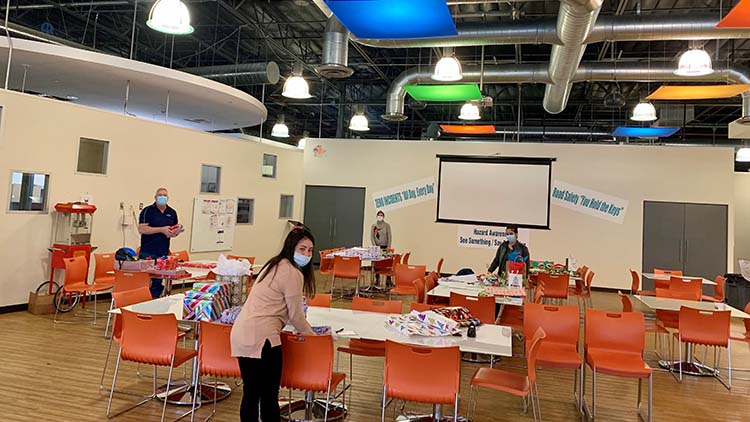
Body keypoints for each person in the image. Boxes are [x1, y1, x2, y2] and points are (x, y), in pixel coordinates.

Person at [231, 227, 316, 422]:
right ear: (291, 247)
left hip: (242, 333)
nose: (306, 254)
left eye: (310, 251)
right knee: (269, 395)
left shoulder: (273, 264)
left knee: (251, 392)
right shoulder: (292, 272)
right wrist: (314, 336)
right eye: (302, 249)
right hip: (264, 338)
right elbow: (296, 316)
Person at [138, 187, 182, 298]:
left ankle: (155, 301)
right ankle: (143, 302)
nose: (162, 197)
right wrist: (161, 229)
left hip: (163, 252)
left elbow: (172, 228)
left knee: (158, 282)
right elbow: (142, 229)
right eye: (160, 195)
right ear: (155, 197)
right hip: (148, 251)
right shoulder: (148, 211)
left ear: (168, 198)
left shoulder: (172, 212)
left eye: (164, 195)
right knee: (146, 280)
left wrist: (174, 232)